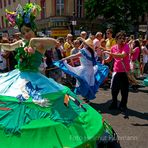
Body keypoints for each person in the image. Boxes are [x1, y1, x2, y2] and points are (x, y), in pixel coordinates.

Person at [0, 3, 109, 148]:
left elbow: (55, 42)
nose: (26, 34)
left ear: (34, 29)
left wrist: (35, 40)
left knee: (45, 105)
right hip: (17, 78)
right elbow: (9, 47)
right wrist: (3, 45)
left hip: (35, 78)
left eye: (28, 30)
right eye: (23, 31)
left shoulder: (39, 44)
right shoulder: (21, 43)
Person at [54, 37, 109, 103]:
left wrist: (64, 59)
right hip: (91, 70)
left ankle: (85, 96)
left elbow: (74, 55)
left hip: (84, 70)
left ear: (86, 45)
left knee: (83, 83)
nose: (83, 44)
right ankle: (87, 97)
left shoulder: (84, 51)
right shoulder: (93, 53)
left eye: (84, 43)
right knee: (89, 83)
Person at [104, 31, 130, 112]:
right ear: (116, 39)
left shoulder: (126, 46)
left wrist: (109, 53)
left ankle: (123, 105)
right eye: (120, 38)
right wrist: (105, 60)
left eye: (123, 38)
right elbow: (110, 58)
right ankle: (114, 103)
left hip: (125, 72)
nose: (122, 40)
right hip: (117, 71)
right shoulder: (113, 47)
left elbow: (122, 55)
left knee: (124, 90)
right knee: (114, 89)